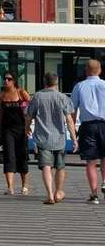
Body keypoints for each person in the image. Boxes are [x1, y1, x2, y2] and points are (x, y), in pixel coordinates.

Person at [27, 71, 78, 205]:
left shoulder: (37, 96)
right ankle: (58, 191)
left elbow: (29, 116)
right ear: (57, 83)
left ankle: (49, 194)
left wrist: (27, 129)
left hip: (42, 138)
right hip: (59, 139)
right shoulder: (63, 98)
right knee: (60, 167)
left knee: (46, 166)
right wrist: (74, 138)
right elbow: (69, 120)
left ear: (45, 82)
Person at [71, 58, 105, 204]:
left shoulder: (79, 86)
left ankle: (94, 195)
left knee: (91, 162)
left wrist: (72, 129)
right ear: (100, 70)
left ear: (86, 70)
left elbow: (72, 110)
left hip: (88, 126)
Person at [0, 71, 31, 195]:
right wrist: (0, 129)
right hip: (7, 129)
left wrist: (28, 125)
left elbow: (30, 109)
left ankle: (24, 186)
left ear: (14, 81)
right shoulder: (1, 96)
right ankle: (10, 187)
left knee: (22, 156)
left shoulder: (21, 93)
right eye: (5, 79)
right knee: (9, 156)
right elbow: (0, 113)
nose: (6, 81)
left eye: (9, 79)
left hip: (21, 129)